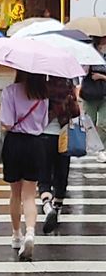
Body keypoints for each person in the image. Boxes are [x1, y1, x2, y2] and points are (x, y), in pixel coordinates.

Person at [0, 71, 49, 261]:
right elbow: (43, 123)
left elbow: (7, 123)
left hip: (14, 143)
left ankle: (16, 235)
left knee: (15, 194)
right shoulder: (43, 95)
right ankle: (30, 232)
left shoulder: (10, 91)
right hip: (35, 144)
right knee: (29, 195)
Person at [39, 77, 80, 233]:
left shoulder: (41, 87)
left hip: (43, 135)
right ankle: (57, 207)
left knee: (43, 175)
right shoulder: (68, 87)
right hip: (64, 136)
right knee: (61, 174)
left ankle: (47, 206)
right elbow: (76, 113)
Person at [80, 36, 106, 163]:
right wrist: (87, 64)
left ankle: (102, 149)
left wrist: (101, 76)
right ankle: (91, 145)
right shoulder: (89, 52)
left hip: (104, 94)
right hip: (90, 93)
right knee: (89, 122)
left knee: (103, 123)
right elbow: (82, 73)